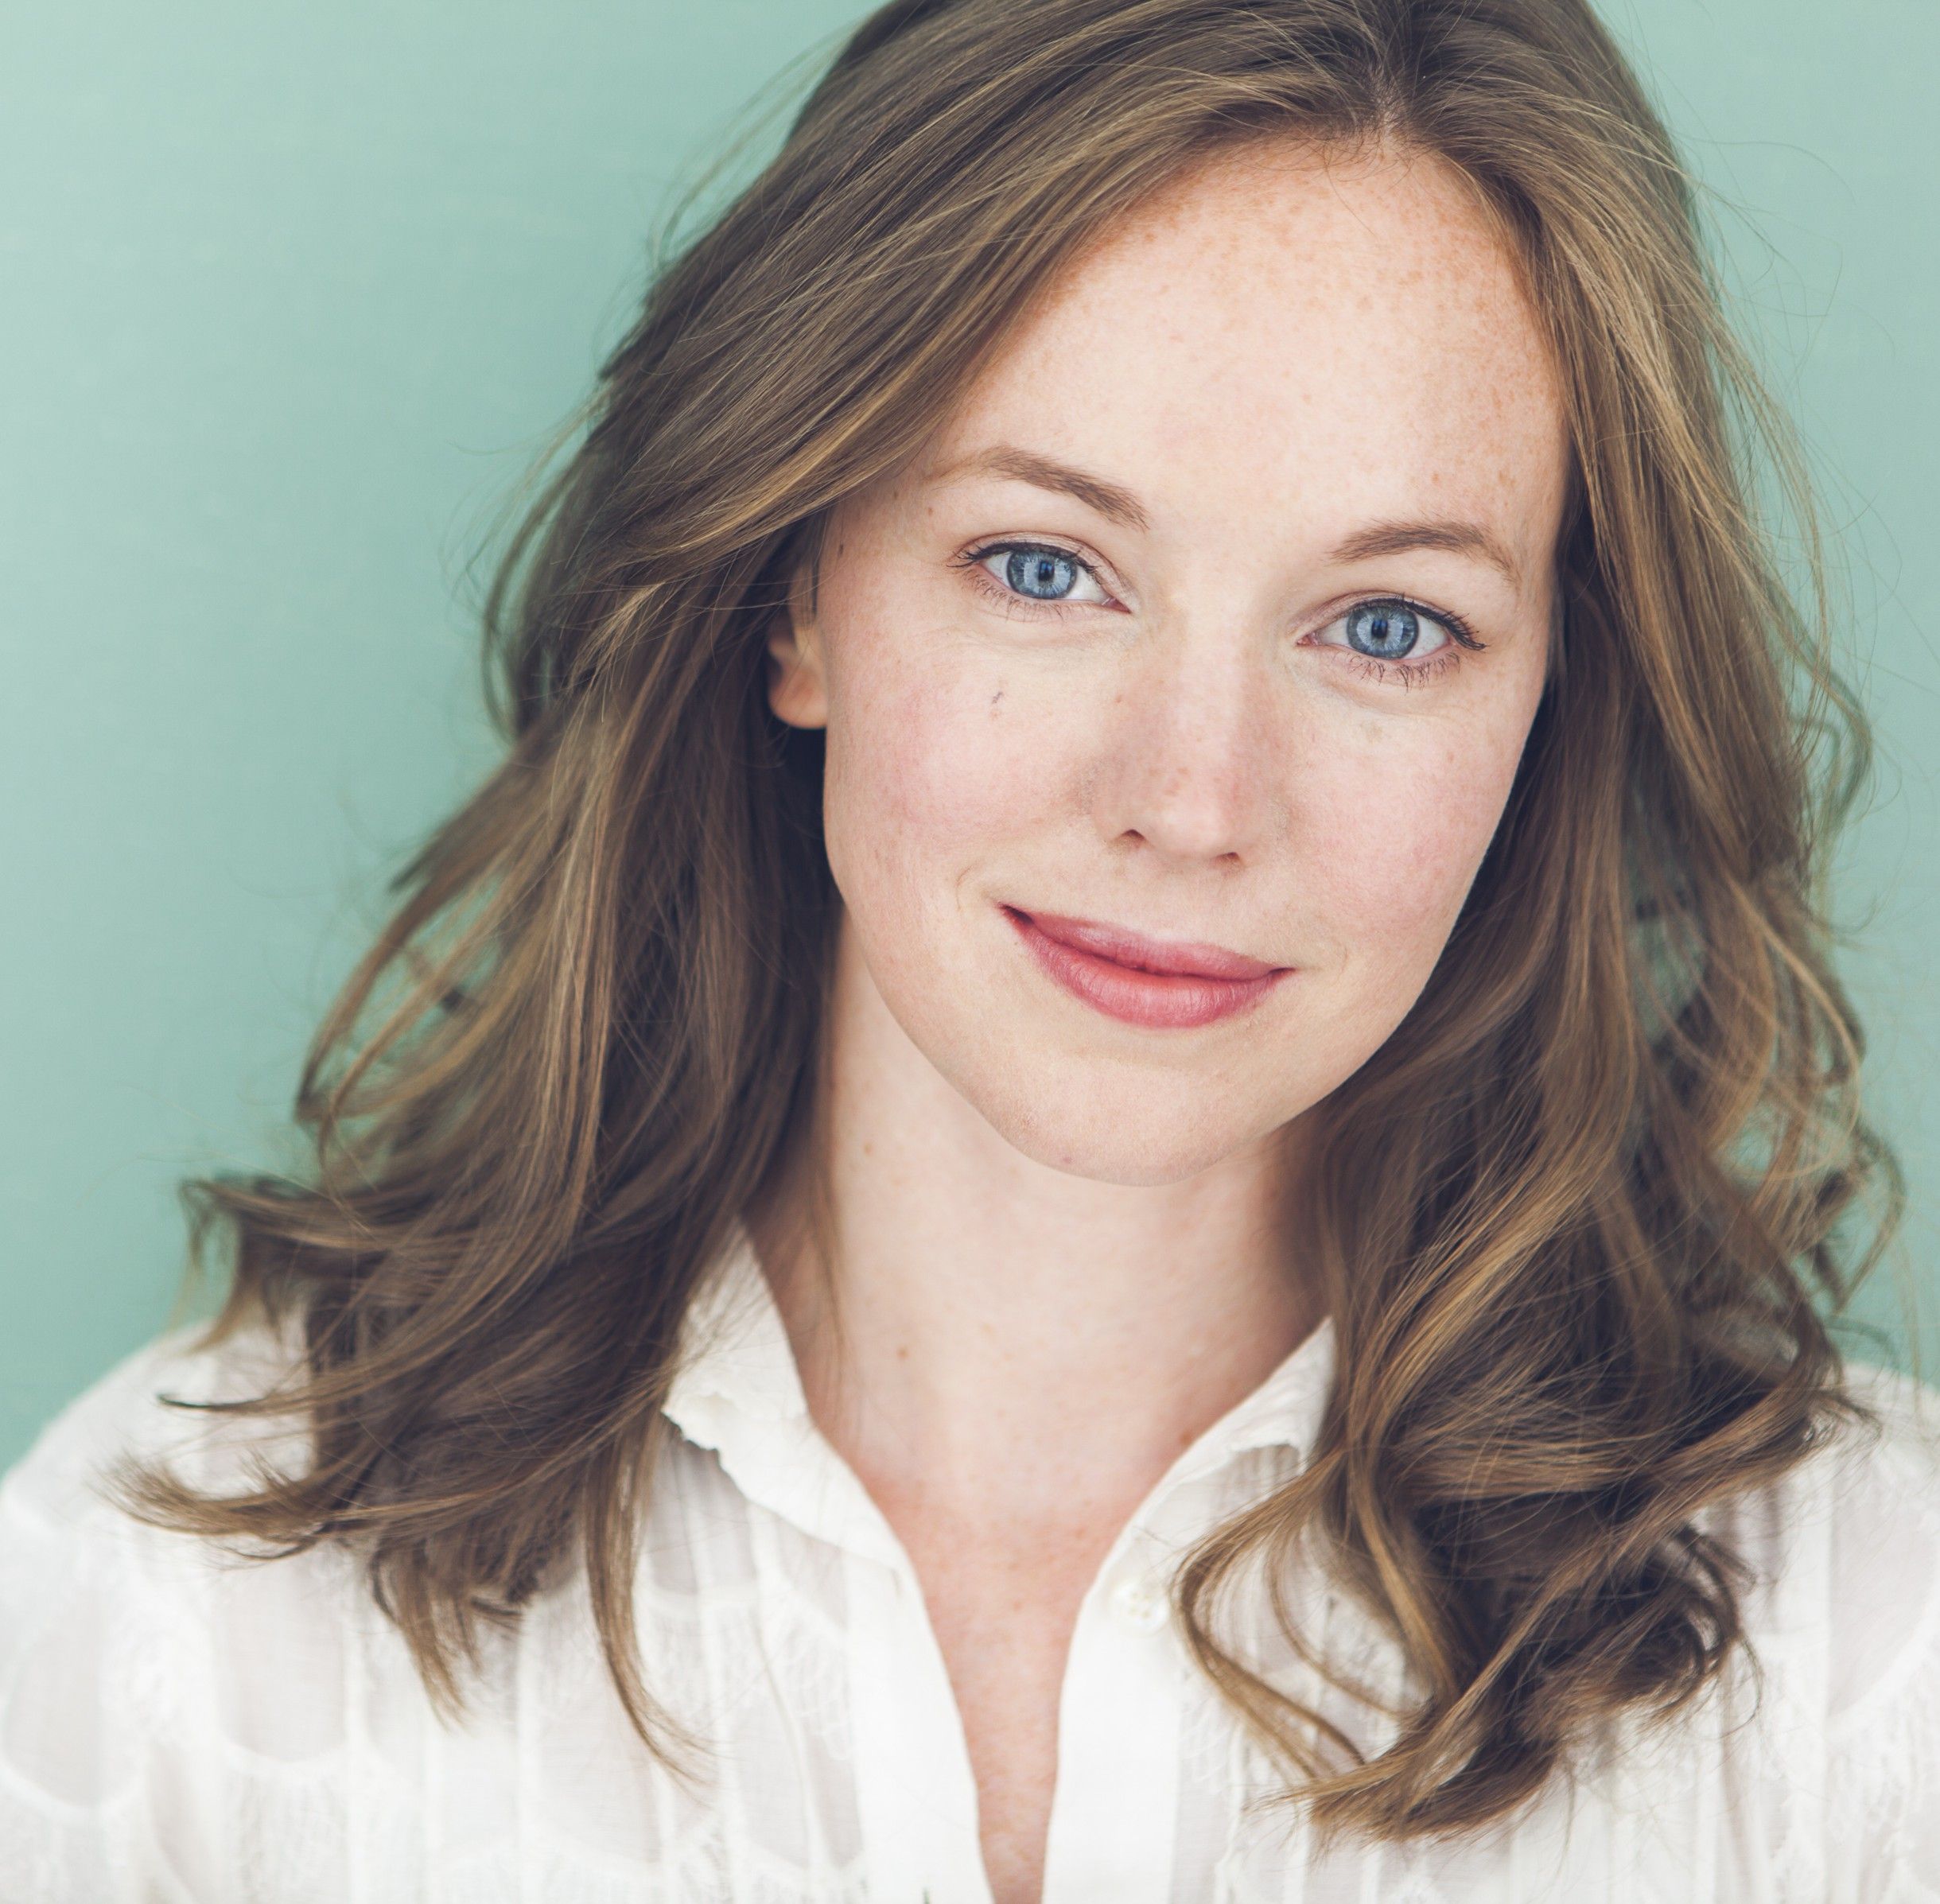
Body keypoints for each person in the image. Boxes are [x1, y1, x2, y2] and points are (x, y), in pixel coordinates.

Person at [3, 0, 1935, 1898]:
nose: (1191, 800)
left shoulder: (1875, 1668)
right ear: (797, 598)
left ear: (1547, 704)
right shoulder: (179, 1627)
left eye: (1384, 626)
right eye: (1042, 568)